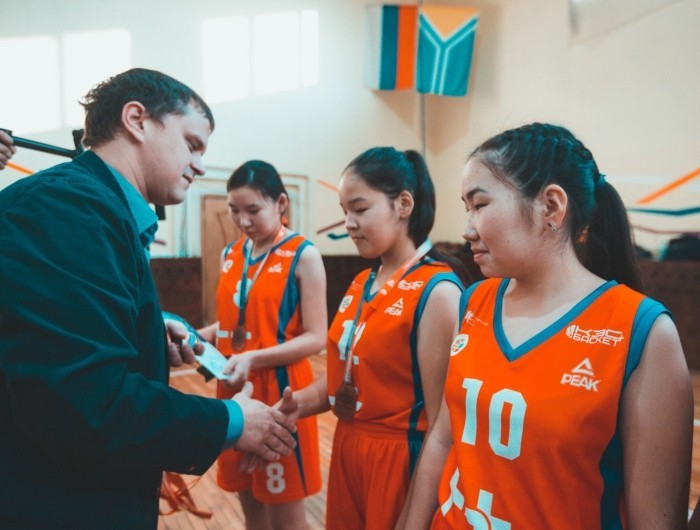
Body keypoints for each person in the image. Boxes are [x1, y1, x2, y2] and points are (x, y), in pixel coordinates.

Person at [0, 68, 297, 529]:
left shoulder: (92, 207)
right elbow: (87, 403)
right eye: (192, 144)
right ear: (137, 120)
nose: (199, 165)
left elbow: (60, 341)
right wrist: (232, 421)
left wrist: (148, 337)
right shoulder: (69, 209)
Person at [398, 122, 693, 529]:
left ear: (551, 207)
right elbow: (444, 438)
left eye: (479, 205)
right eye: (467, 209)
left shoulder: (642, 332)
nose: (467, 230)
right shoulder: (473, 302)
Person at [275, 146, 464, 529]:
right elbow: (344, 378)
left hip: (401, 460)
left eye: (360, 209)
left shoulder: (439, 292)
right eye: (345, 211)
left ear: (404, 204)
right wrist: (293, 407)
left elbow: (443, 427)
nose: (349, 223)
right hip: (349, 447)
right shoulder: (362, 281)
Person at [197, 160, 327, 529]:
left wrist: (253, 357)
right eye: (234, 210)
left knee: (285, 514)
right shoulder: (230, 254)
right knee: (249, 503)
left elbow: (317, 336)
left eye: (253, 210)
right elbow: (239, 321)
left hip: (280, 390)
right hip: (234, 386)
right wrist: (200, 335)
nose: (243, 220)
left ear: (281, 203)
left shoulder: (304, 255)